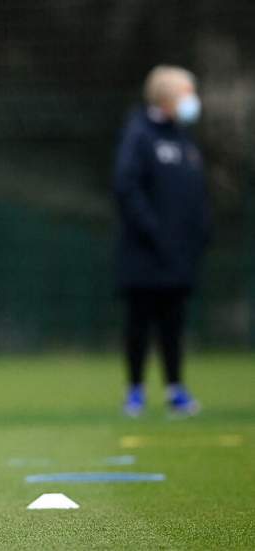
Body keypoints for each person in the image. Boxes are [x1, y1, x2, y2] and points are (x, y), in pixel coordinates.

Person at [114, 65, 209, 417]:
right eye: (187, 92)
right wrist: (154, 231)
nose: (192, 100)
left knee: (174, 323)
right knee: (139, 322)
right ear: (167, 96)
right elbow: (127, 187)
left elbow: (196, 194)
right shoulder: (139, 134)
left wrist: (200, 232)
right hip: (144, 252)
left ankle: (175, 389)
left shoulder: (184, 139)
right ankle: (135, 391)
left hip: (180, 254)